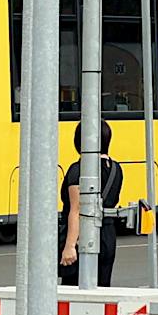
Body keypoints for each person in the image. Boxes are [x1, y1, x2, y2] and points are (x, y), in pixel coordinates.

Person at [60, 119, 123, 288]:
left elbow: (77, 210)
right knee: (101, 290)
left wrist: (70, 246)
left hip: (84, 236)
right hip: (107, 236)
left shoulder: (78, 169)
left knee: (74, 293)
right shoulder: (116, 168)